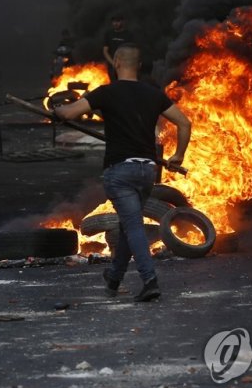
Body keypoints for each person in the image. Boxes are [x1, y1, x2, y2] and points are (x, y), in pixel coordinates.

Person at [54, 43, 191, 302]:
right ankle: (114, 277)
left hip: (121, 172)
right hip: (147, 171)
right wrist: (178, 155)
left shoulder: (106, 93)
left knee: (133, 225)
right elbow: (184, 123)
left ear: (116, 63)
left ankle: (149, 280)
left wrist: (57, 112)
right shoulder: (153, 94)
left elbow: (70, 112)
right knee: (130, 225)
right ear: (138, 66)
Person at [102, 14, 134, 81]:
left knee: (124, 84)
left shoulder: (128, 34)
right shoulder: (108, 34)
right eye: (114, 22)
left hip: (125, 65)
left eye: (118, 21)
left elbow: (131, 50)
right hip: (112, 66)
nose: (115, 23)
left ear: (122, 22)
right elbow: (105, 51)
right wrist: (113, 62)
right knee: (114, 85)